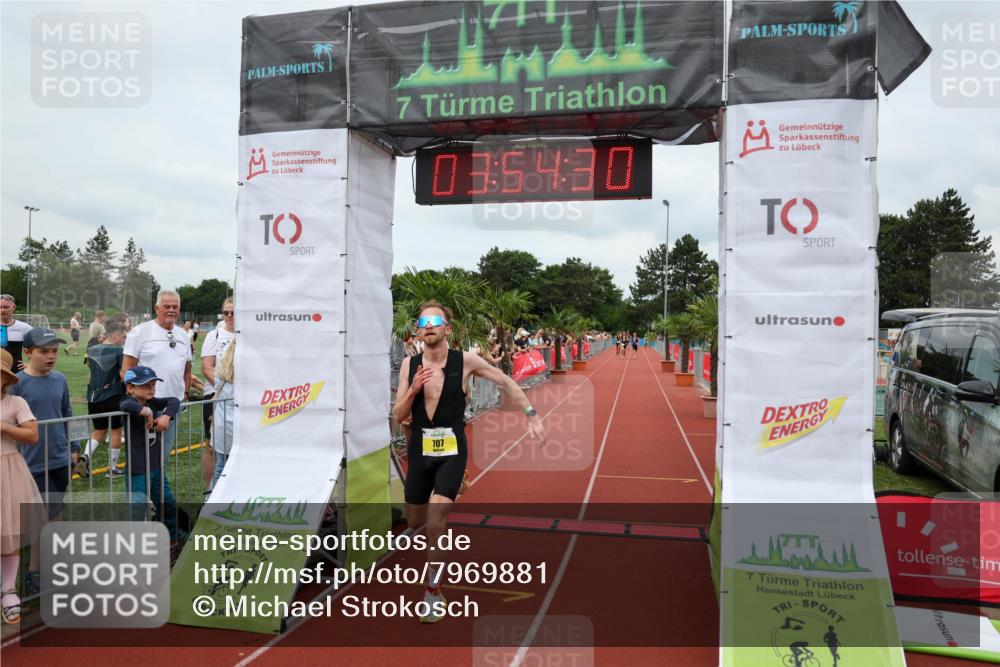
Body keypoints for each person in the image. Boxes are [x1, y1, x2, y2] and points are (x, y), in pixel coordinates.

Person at [393, 301, 546, 624]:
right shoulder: (409, 365)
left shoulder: (465, 361)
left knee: (436, 518)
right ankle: (449, 486)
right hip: (420, 450)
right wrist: (414, 390)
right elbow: (398, 415)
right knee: (415, 521)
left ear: (447, 329)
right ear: (418, 331)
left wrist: (531, 415)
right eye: (423, 323)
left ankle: (433, 592)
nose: (428, 327)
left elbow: (505, 382)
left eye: (434, 322)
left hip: (451, 448)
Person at [10, 328, 78, 520]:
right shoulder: (17, 383)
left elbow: (67, 413)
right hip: (32, 461)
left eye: (55, 351)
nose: (51, 356)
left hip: (61, 459)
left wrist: (74, 447)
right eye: (43, 351)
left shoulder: (60, 380)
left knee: (51, 511)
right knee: (51, 512)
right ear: (27, 352)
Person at [122, 290, 192, 459]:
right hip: (147, 406)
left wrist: (185, 393)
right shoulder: (140, 332)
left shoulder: (183, 335)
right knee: (142, 458)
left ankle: (159, 477)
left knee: (163, 456)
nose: (171, 310)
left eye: (175, 306)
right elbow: (127, 371)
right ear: (156, 308)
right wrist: (139, 403)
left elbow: (187, 368)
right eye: (166, 306)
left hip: (173, 406)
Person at [0, 350, 42, 625]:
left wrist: (4, 428)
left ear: (5, 378)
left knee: (9, 529)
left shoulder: (15, 402)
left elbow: (32, 434)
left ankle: (8, 589)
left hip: (8, 471)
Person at [119, 366, 182, 547]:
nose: (151, 389)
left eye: (153, 385)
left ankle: (173, 536)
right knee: (137, 509)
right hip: (137, 468)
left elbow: (174, 401)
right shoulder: (127, 402)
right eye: (145, 385)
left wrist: (166, 416)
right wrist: (146, 412)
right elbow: (125, 405)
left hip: (156, 467)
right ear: (130, 388)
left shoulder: (153, 402)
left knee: (166, 503)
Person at [75, 323, 128, 479]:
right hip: (113, 396)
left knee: (99, 430)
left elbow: (90, 374)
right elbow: (123, 375)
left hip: (93, 397)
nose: (124, 340)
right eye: (123, 337)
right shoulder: (119, 351)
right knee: (116, 431)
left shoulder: (91, 349)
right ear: (115, 335)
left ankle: (84, 456)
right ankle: (112, 469)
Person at [200, 298, 235, 493]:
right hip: (216, 396)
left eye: (233, 312)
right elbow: (207, 367)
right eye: (226, 312)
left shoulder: (247, 335)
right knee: (212, 447)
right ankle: (210, 491)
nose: (229, 316)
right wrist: (226, 387)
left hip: (237, 401)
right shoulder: (214, 335)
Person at [209, 340, 236, 490]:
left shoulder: (221, 373)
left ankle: (212, 498)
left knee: (221, 467)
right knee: (222, 467)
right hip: (228, 428)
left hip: (222, 427)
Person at [0, 295, 33, 371]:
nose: (2, 310)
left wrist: (31, 364)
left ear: (14, 307)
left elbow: (39, 347)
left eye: (6, 307)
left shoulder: (24, 327)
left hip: (16, 372)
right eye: (0, 307)